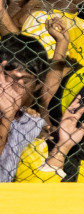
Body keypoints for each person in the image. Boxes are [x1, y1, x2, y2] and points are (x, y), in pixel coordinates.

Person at [0, 34, 54, 182]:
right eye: (5, 76)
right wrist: (7, 116)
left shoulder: (32, 124)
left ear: (37, 86)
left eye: (22, 80)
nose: (10, 86)